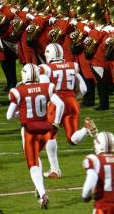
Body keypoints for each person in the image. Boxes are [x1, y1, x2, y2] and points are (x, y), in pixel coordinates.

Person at [6, 63, 64, 208]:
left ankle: (43, 194)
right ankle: (39, 189)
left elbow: (9, 116)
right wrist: (56, 123)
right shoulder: (47, 87)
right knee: (37, 158)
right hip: (45, 129)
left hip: (29, 132)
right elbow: (60, 105)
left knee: (33, 164)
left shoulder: (18, 91)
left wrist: (21, 112)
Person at [39, 42, 97, 178]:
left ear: (49, 54)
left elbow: (45, 90)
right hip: (72, 102)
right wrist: (73, 97)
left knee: (50, 135)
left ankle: (55, 169)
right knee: (72, 138)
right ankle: (86, 129)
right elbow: (83, 89)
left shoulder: (45, 68)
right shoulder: (73, 65)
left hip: (56, 102)